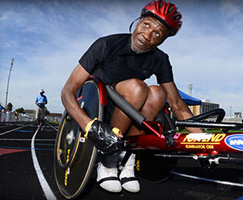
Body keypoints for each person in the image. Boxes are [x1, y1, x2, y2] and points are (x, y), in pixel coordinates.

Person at [61, 0, 203, 194]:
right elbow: (68, 90)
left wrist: (203, 140)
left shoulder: (160, 59)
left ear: (162, 40)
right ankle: (108, 161)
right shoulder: (106, 44)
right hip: (100, 111)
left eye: (157, 34)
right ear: (138, 21)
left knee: (158, 93)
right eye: (146, 25)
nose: (147, 35)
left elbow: (177, 105)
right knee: (138, 87)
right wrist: (89, 126)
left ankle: (127, 159)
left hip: (129, 112)